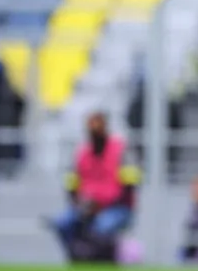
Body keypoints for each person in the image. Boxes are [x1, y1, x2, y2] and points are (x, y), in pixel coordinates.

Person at [47, 112, 141, 261]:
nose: (94, 132)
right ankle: (75, 257)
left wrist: (103, 205)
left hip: (116, 208)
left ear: (105, 127)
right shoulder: (82, 152)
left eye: (98, 127)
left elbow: (129, 187)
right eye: (91, 128)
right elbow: (71, 185)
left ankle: (103, 260)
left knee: (101, 226)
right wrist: (81, 205)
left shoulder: (121, 151)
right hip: (85, 207)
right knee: (63, 222)